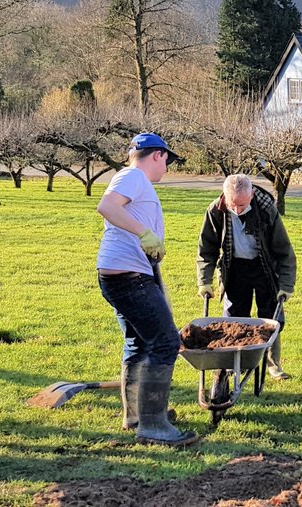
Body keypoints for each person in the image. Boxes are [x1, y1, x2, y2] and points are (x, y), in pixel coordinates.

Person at [95, 132, 197, 447]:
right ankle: (154, 425)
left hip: (122, 274)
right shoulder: (133, 177)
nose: (166, 169)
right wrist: (145, 234)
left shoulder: (134, 181)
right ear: (158, 155)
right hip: (128, 276)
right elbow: (107, 206)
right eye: (167, 161)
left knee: (138, 344)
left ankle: (136, 415)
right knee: (166, 342)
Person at [196, 173, 296, 379]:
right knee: (234, 317)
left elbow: (284, 251)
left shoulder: (266, 210)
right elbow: (207, 249)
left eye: (241, 205)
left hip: (264, 268)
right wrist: (204, 281)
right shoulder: (216, 210)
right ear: (225, 197)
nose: (237, 210)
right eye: (233, 205)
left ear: (251, 196)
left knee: (271, 318)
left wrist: (286, 285)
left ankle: (272, 363)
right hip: (235, 268)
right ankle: (233, 362)